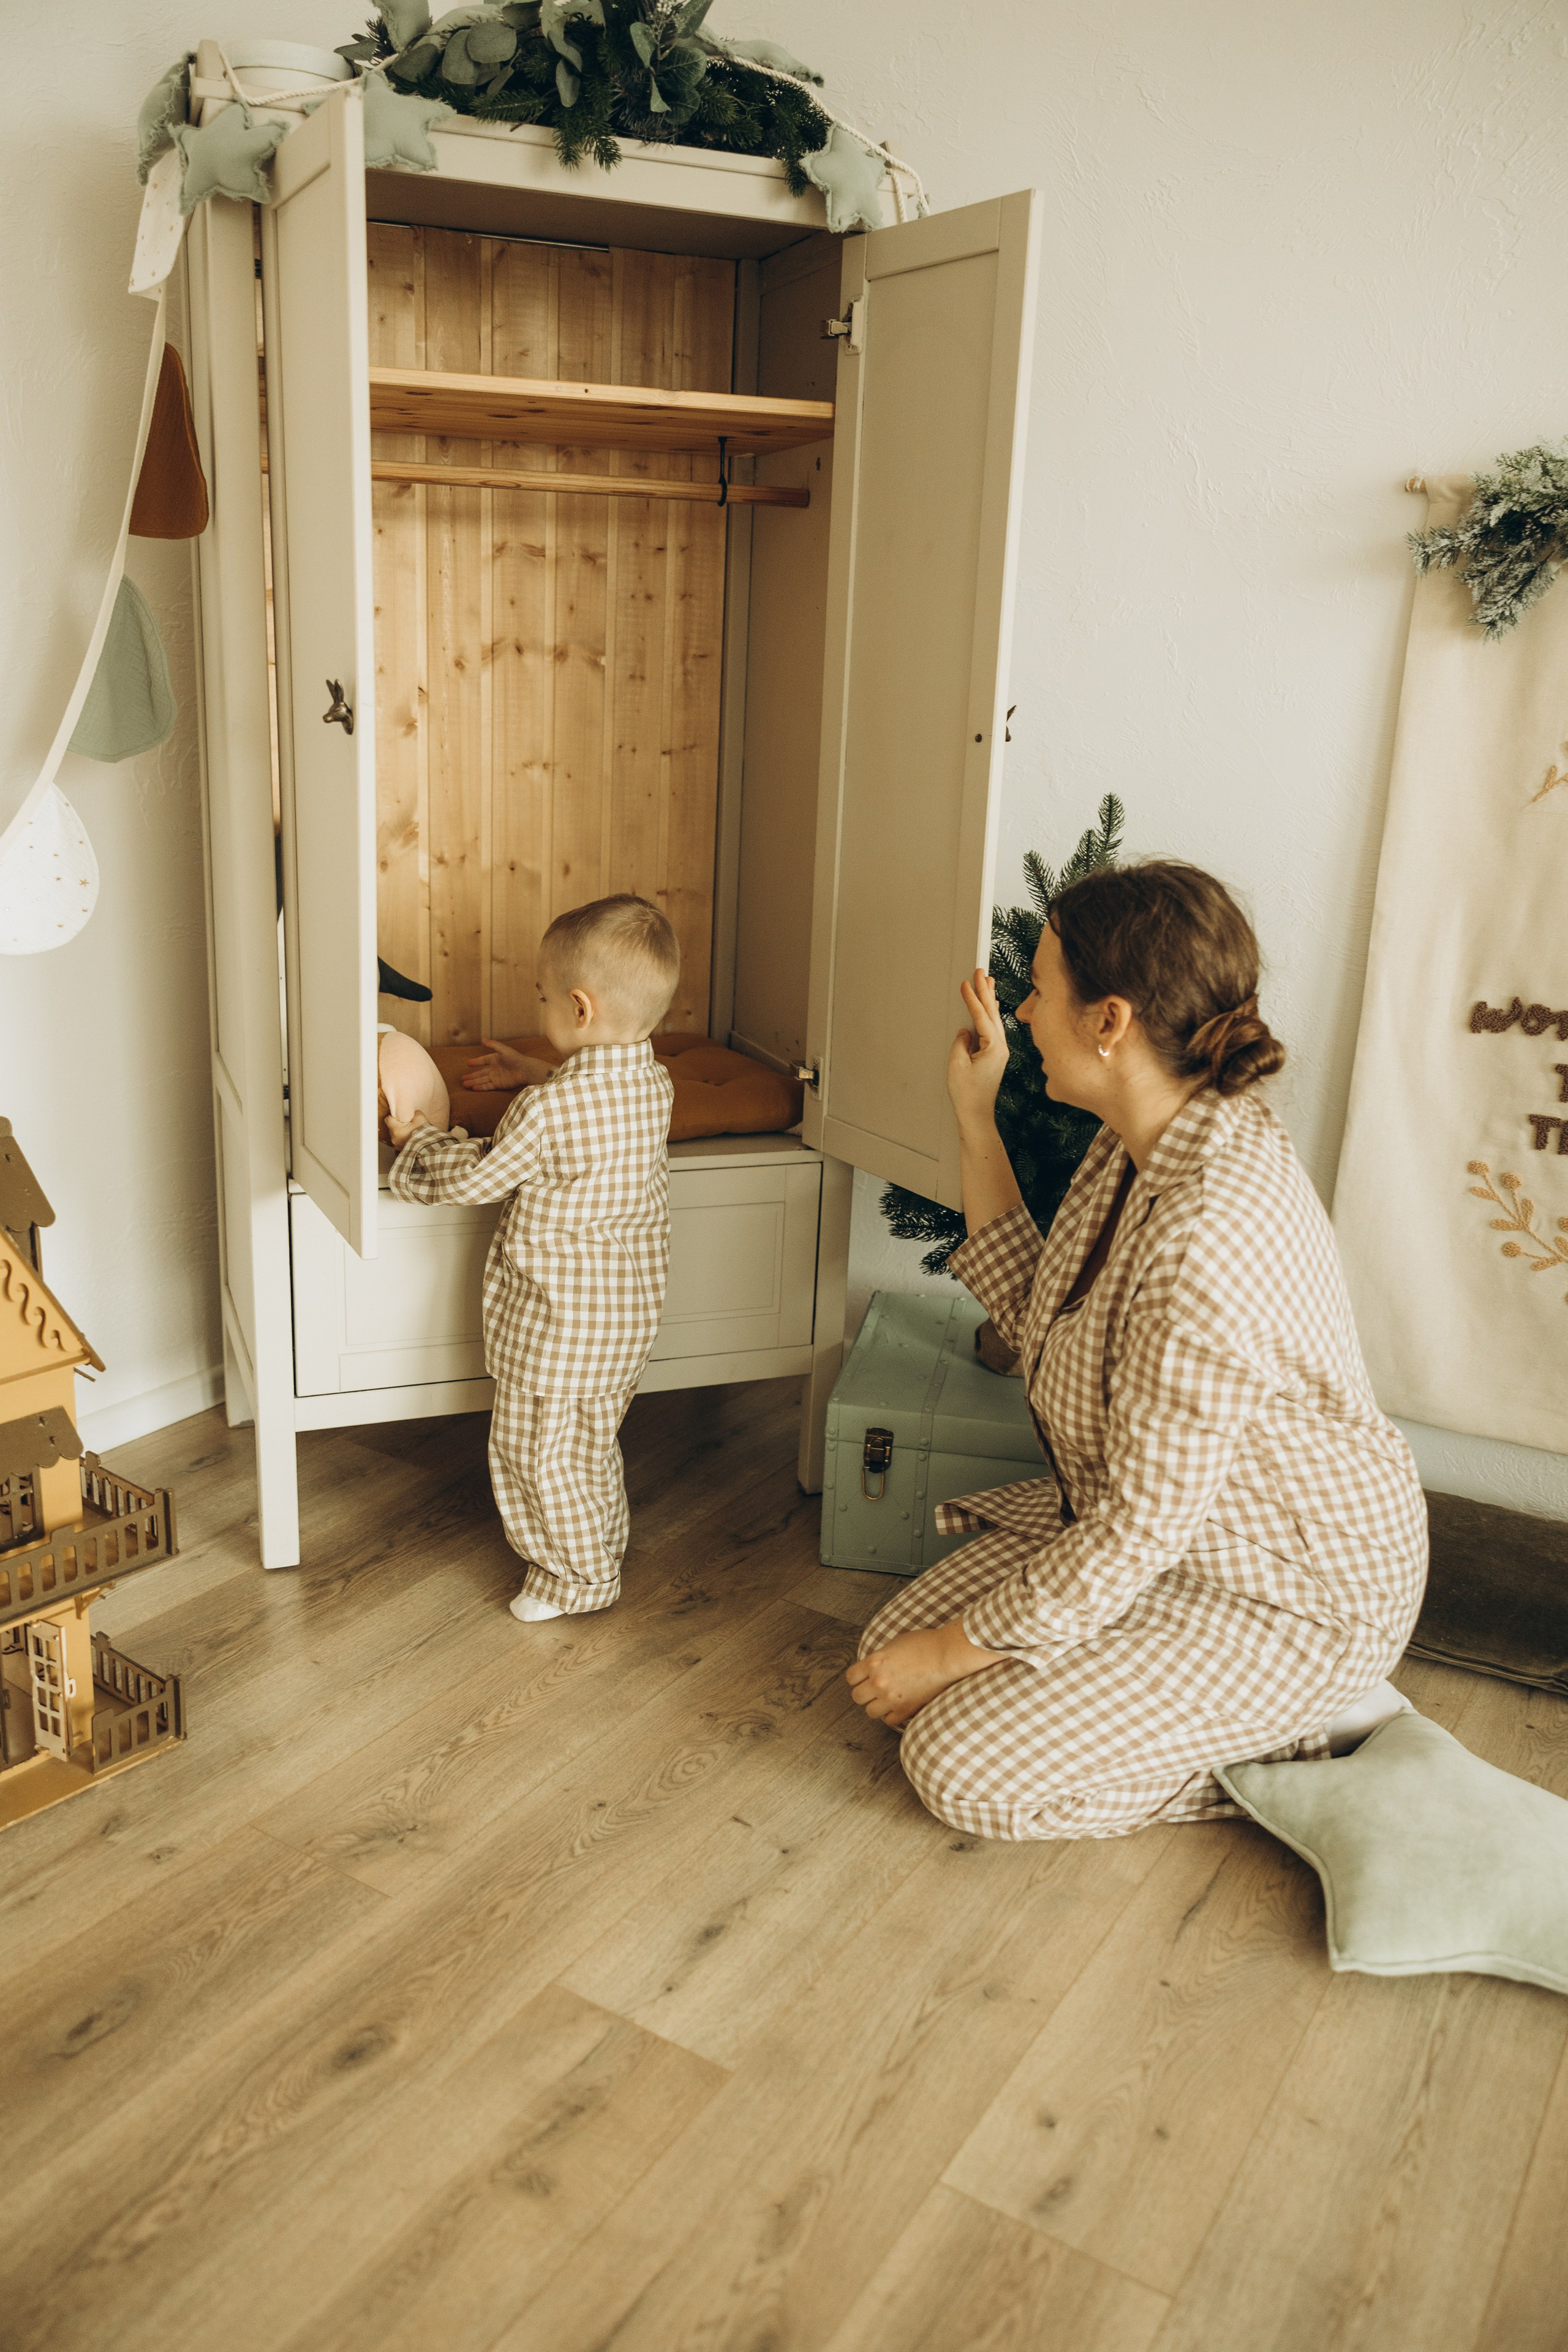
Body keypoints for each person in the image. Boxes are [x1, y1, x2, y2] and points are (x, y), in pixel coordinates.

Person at [846, 861, 1427, 1841]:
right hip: (1161, 1540)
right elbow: (1035, 1309)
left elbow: (1140, 1530)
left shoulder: (1209, 1239)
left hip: (1284, 1596)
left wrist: (956, 1653)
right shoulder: (1143, 1136)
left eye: (1040, 990)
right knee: (890, 1652)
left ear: (1109, 1021)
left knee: (956, 1765)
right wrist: (975, 1111)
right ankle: (1163, 1708)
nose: (1024, 1012)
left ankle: (1308, 1739)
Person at [386, 895, 678, 1623]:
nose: (540, 1007)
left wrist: (418, 1143)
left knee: (538, 1455)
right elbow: (590, 1110)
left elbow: (476, 1179)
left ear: (579, 1008)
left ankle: (577, 1580)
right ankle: (600, 1545)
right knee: (586, 1445)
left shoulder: (548, 1111)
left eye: (544, 998)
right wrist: (537, 1069)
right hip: (622, 1320)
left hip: (557, 1327)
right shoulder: (652, 1082)